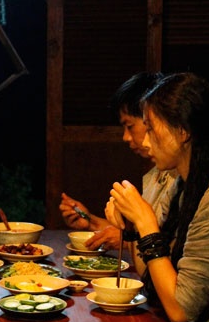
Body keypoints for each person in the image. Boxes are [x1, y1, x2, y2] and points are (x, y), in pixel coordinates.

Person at [105, 72, 209, 322]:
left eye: (151, 129)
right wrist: (133, 225)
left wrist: (146, 223)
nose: (145, 142)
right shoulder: (183, 183)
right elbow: (150, 276)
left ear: (183, 131)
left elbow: (181, 310)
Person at [59, 71, 178, 251]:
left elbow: (169, 249)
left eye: (130, 126)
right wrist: (90, 221)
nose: (125, 137)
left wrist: (128, 242)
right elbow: (142, 235)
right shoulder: (157, 174)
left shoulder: (183, 180)